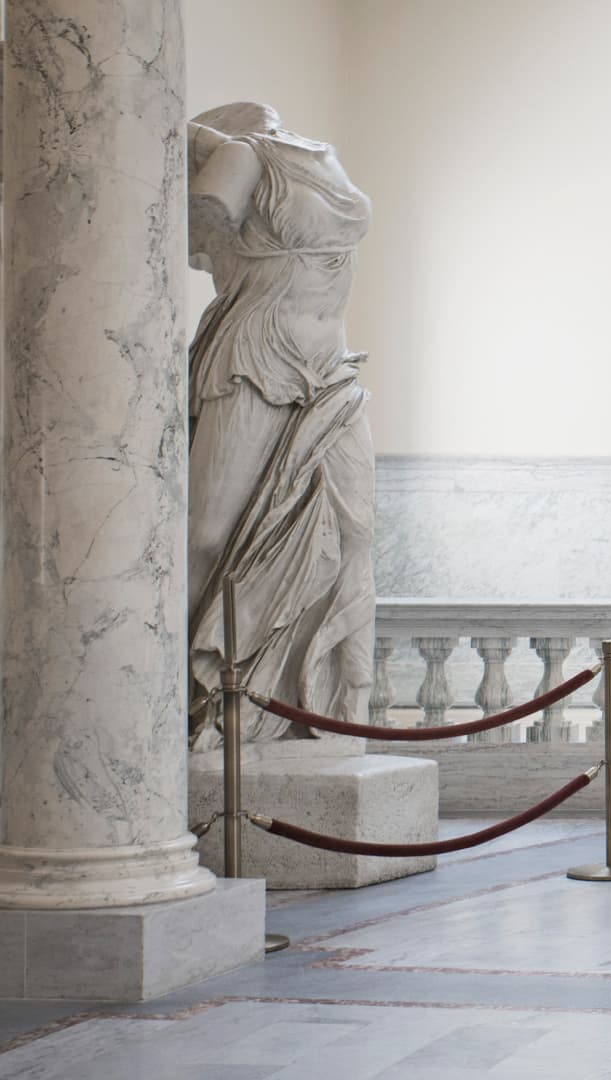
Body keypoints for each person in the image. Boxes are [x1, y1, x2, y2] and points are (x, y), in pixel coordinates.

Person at [184, 102, 376, 747]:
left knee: (352, 531)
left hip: (330, 368)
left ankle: (319, 708)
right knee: (208, 531)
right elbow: (190, 227)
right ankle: (175, 691)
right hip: (258, 356)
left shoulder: (297, 155)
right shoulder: (240, 161)